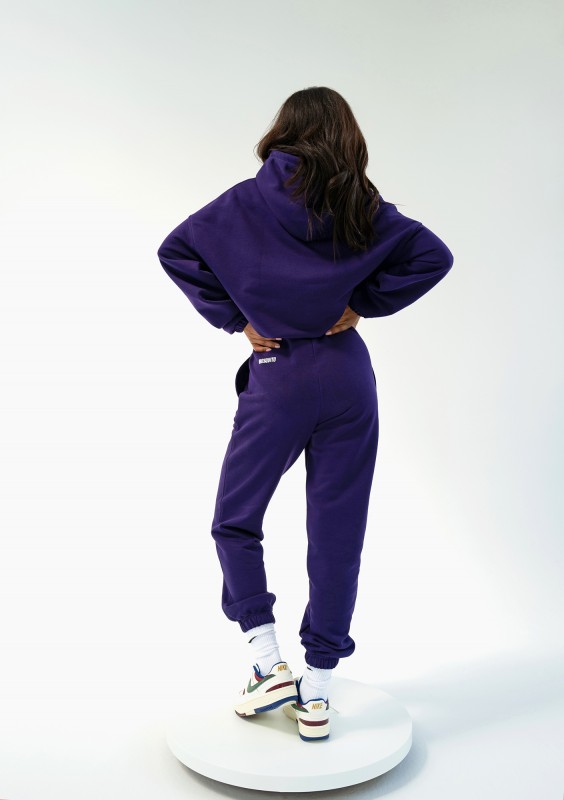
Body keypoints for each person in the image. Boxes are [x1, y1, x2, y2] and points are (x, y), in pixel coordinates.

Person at [157, 86, 454, 742]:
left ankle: (269, 664)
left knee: (235, 520)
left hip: (279, 373)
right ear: (346, 135)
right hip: (347, 375)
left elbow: (176, 250)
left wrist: (236, 320)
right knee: (338, 533)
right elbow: (434, 255)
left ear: (283, 131)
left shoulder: (245, 201)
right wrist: (363, 305)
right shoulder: (360, 204)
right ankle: (316, 692)